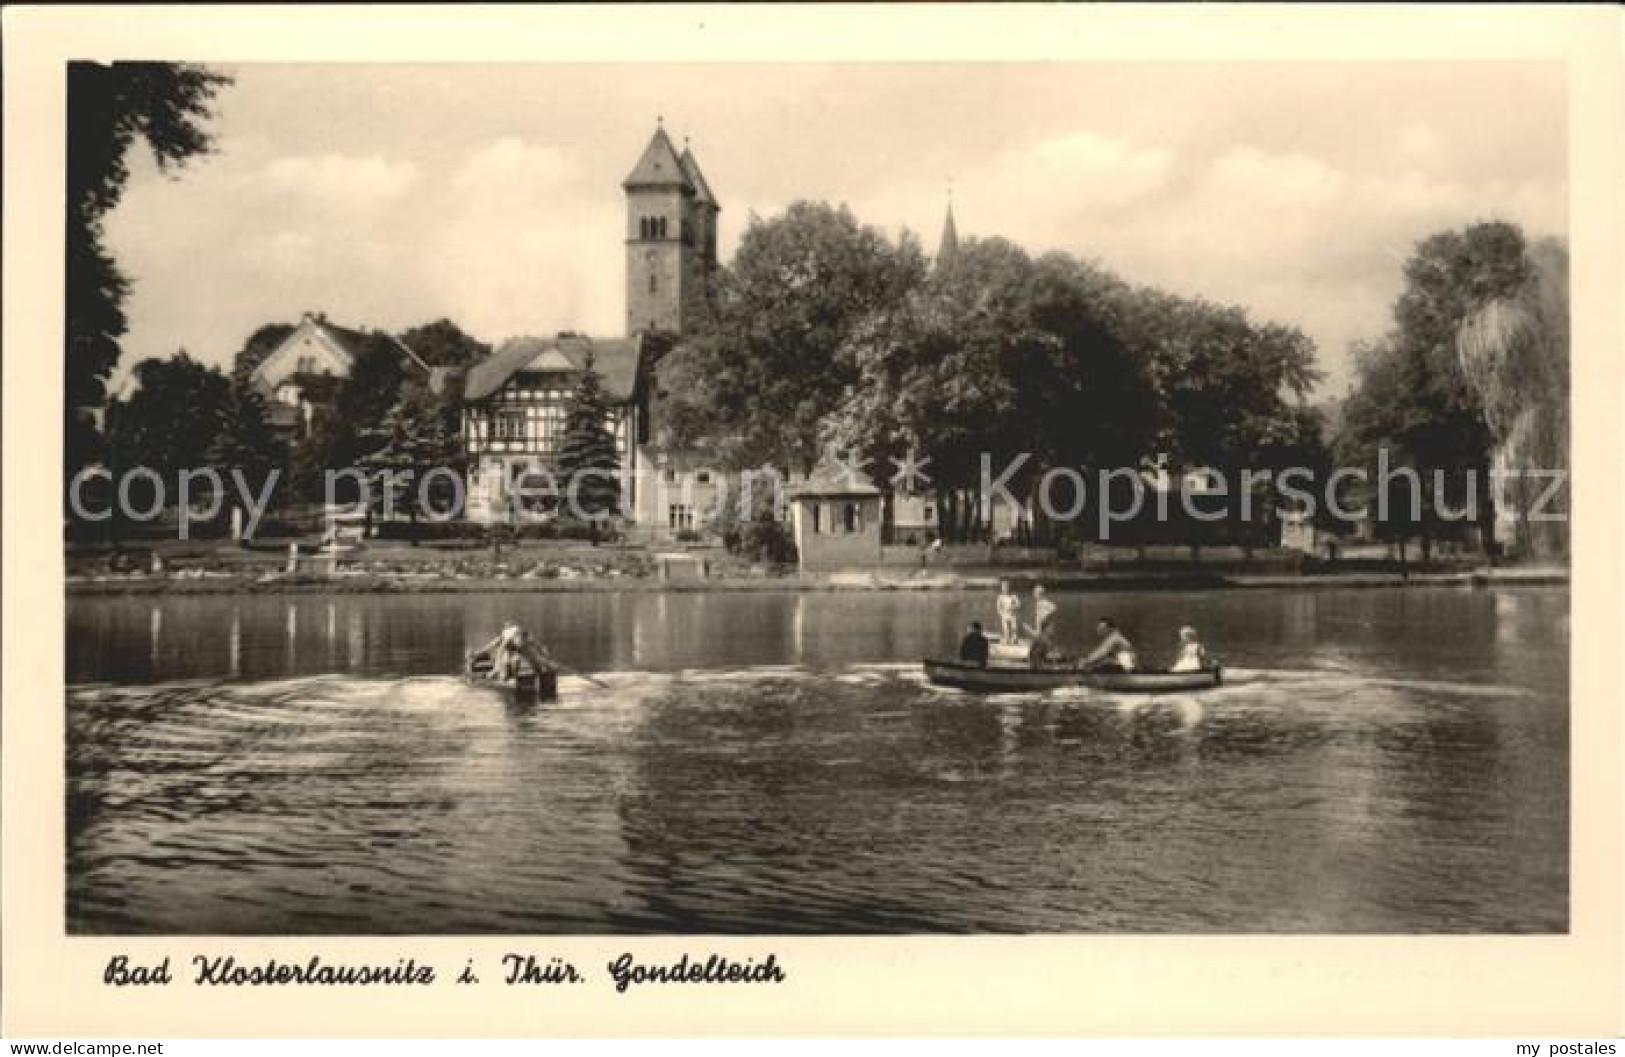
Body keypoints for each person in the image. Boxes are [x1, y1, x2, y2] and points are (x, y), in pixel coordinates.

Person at [1026, 585, 1058, 668]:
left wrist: (1044, 618)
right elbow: (1053, 609)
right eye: (1034, 592)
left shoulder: (1042, 603)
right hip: (1044, 632)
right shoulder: (1041, 603)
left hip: (1044, 632)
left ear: (1039, 594)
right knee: (1035, 652)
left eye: (1035, 593)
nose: (1033, 594)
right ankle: (1041, 665)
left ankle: (1039, 666)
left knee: (1034, 654)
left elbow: (1053, 608)